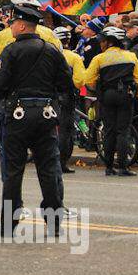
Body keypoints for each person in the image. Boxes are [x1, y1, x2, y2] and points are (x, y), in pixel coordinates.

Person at [0, 0, 72, 237]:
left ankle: (9, 223)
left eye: (14, 22)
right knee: (48, 168)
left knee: (14, 171)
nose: (12, 26)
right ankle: (54, 221)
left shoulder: (11, 50)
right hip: (46, 113)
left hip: (17, 114)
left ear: (23, 25)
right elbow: (66, 83)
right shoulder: (52, 50)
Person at [83, 26, 138, 177]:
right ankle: (123, 167)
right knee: (123, 131)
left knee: (109, 130)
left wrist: (97, 87)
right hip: (125, 95)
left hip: (107, 95)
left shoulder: (99, 58)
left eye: (103, 41)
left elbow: (88, 80)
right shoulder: (130, 56)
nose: (101, 44)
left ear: (110, 42)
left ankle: (109, 167)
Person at [53, 27, 85, 174]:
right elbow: (79, 81)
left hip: (51, 96)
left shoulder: (49, 55)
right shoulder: (74, 57)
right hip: (67, 97)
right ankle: (62, 162)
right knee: (65, 131)